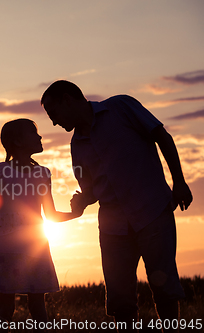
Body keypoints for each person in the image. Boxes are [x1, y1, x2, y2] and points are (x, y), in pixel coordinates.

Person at [41, 80, 193, 332]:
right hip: (113, 229)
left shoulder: (121, 106)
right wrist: (81, 201)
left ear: (67, 99)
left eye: (53, 114)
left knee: (164, 288)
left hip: (153, 212)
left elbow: (161, 136)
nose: (54, 122)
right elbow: (91, 191)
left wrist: (179, 181)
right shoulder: (76, 145)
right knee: (120, 300)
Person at [0, 119, 83, 331]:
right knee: (6, 307)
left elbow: (50, 214)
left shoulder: (43, 173)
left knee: (37, 306)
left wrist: (76, 213)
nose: (40, 137)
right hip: (7, 248)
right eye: (34, 133)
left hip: (34, 247)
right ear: (18, 141)